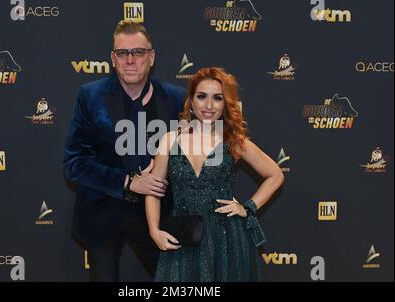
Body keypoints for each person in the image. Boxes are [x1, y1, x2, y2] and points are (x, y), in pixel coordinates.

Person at [63, 20, 186, 282]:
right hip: (103, 213)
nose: (130, 60)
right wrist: (129, 182)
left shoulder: (177, 99)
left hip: (160, 214)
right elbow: (74, 163)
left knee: (177, 282)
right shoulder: (90, 96)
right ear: (113, 58)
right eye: (122, 53)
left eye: (138, 52)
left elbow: (198, 156)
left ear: (151, 57)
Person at [145, 67, 285, 281]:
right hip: (183, 238)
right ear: (191, 101)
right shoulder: (170, 140)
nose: (209, 105)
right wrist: (154, 230)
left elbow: (275, 175)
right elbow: (153, 189)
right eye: (202, 97)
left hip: (226, 240)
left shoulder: (234, 142)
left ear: (225, 104)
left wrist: (248, 207)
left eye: (217, 98)